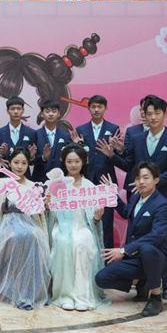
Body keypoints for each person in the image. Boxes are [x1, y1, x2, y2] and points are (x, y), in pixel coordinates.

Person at [97, 95, 167, 299]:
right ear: (143, 114)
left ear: (165, 114)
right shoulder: (136, 138)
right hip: (138, 194)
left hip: (162, 195)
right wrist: (112, 156)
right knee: (137, 233)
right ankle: (142, 281)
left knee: (164, 237)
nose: (153, 117)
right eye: (149, 113)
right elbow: (129, 165)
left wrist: (150, 184)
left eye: (157, 113)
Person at [95, 161, 167, 317]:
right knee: (101, 278)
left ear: (156, 180)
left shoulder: (162, 204)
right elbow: (126, 212)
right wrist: (112, 194)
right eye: (138, 178)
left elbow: (156, 235)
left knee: (147, 248)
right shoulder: (135, 198)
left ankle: (156, 297)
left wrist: (124, 250)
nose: (141, 181)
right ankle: (142, 282)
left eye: (146, 177)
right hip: (136, 258)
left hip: (157, 259)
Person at [0, 146, 51, 310]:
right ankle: (8, 290)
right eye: (16, 162)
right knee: (14, 236)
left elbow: (38, 214)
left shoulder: (33, 186)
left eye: (24, 163)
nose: (20, 167)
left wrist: (44, 204)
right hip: (6, 222)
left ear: (28, 164)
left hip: (28, 222)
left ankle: (30, 290)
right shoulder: (0, 184)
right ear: (10, 163)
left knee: (34, 235)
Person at [48, 143, 108, 311]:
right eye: (69, 161)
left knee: (80, 243)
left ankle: (82, 296)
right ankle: (65, 295)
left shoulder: (90, 187)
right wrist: (48, 205)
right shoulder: (56, 185)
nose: (73, 165)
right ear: (64, 162)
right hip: (61, 227)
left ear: (83, 162)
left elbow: (94, 220)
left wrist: (97, 217)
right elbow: (51, 214)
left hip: (82, 227)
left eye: (77, 161)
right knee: (64, 243)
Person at [73, 95, 119, 249]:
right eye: (93, 107)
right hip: (87, 178)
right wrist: (78, 146)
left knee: (107, 220)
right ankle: (89, 252)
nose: (97, 110)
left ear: (106, 108)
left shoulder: (113, 128)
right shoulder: (81, 129)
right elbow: (78, 155)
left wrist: (115, 150)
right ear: (88, 108)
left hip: (106, 179)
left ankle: (106, 256)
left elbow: (118, 155)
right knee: (87, 218)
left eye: (100, 107)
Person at [0, 97, 37, 178]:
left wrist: (31, 157)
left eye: (19, 108)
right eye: (12, 109)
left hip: (24, 178)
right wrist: (1, 154)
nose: (16, 112)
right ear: (7, 111)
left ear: (23, 110)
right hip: (4, 177)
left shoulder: (31, 133)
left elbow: (34, 160)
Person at [32, 100, 72, 183]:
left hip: (61, 180)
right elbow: (31, 160)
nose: (51, 114)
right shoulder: (35, 134)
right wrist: (43, 158)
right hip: (40, 179)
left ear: (58, 113)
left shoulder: (66, 136)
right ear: (42, 114)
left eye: (54, 111)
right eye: (47, 111)